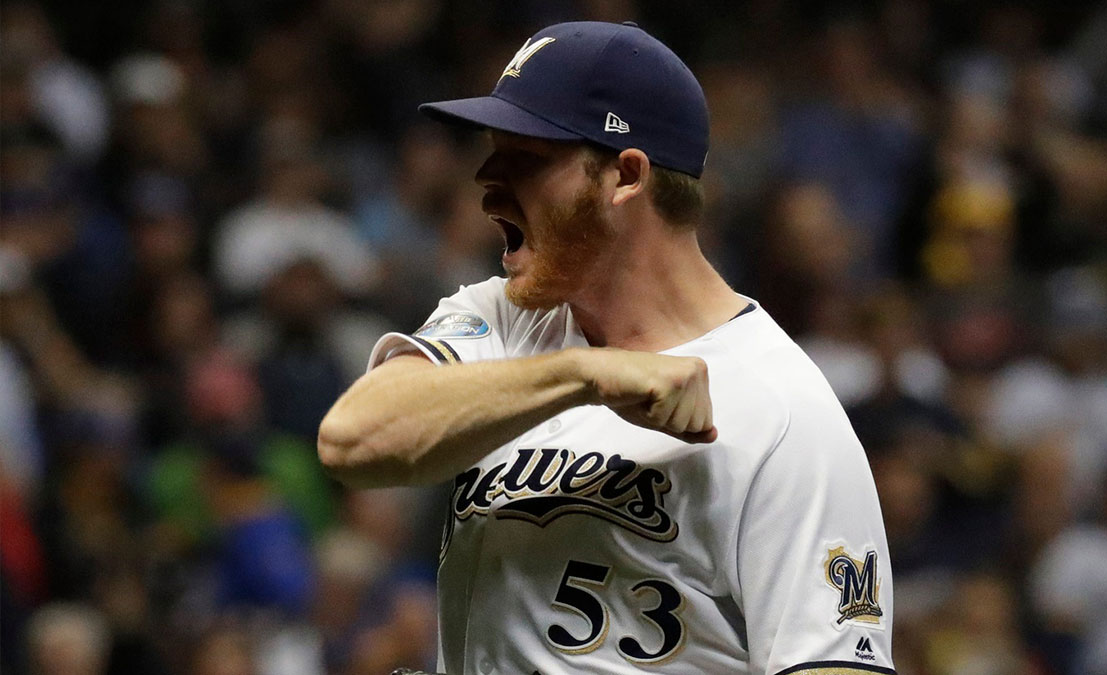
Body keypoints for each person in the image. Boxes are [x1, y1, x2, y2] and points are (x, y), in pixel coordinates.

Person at [319, 21, 894, 675]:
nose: (484, 183)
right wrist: (584, 372)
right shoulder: (499, 318)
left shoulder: (783, 408)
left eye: (524, 158)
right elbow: (352, 441)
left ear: (624, 175)